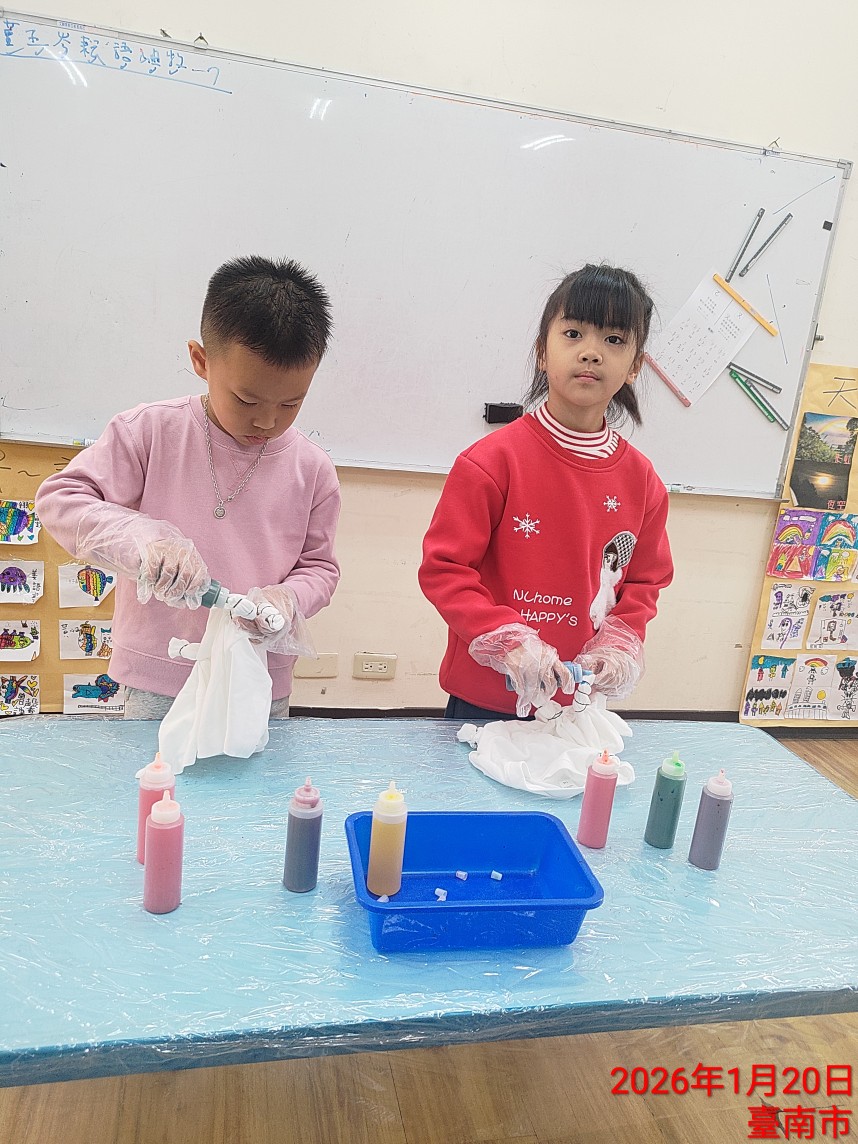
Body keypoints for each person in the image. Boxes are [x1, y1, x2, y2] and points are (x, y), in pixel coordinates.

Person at [36, 255, 340, 719]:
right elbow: (61, 501)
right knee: (155, 769)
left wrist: (288, 599)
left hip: (258, 677)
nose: (267, 421)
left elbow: (319, 568)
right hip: (160, 675)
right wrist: (143, 539)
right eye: (247, 400)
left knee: (258, 770)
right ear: (201, 360)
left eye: (290, 404)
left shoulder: (312, 469)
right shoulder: (149, 431)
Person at [418, 263, 673, 720]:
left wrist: (620, 642)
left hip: (579, 701)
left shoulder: (643, 481)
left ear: (635, 366)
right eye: (573, 334)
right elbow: (445, 570)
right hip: (487, 699)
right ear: (542, 351)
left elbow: (645, 582)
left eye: (614, 340)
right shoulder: (491, 462)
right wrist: (506, 641)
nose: (591, 353)